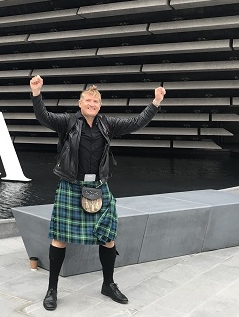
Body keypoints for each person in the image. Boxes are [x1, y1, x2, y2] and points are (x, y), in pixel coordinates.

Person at [29, 75, 166, 310]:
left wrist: (155, 102)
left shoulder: (106, 124)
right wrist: (36, 94)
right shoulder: (69, 122)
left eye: (96, 102)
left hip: (99, 187)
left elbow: (136, 123)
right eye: (88, 101)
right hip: (71, 186)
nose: (92, 104)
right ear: (80, 104)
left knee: (108, 236)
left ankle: (108, 284)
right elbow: (44, 117)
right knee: (59, 238)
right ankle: (52, 290)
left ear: (99, 106)